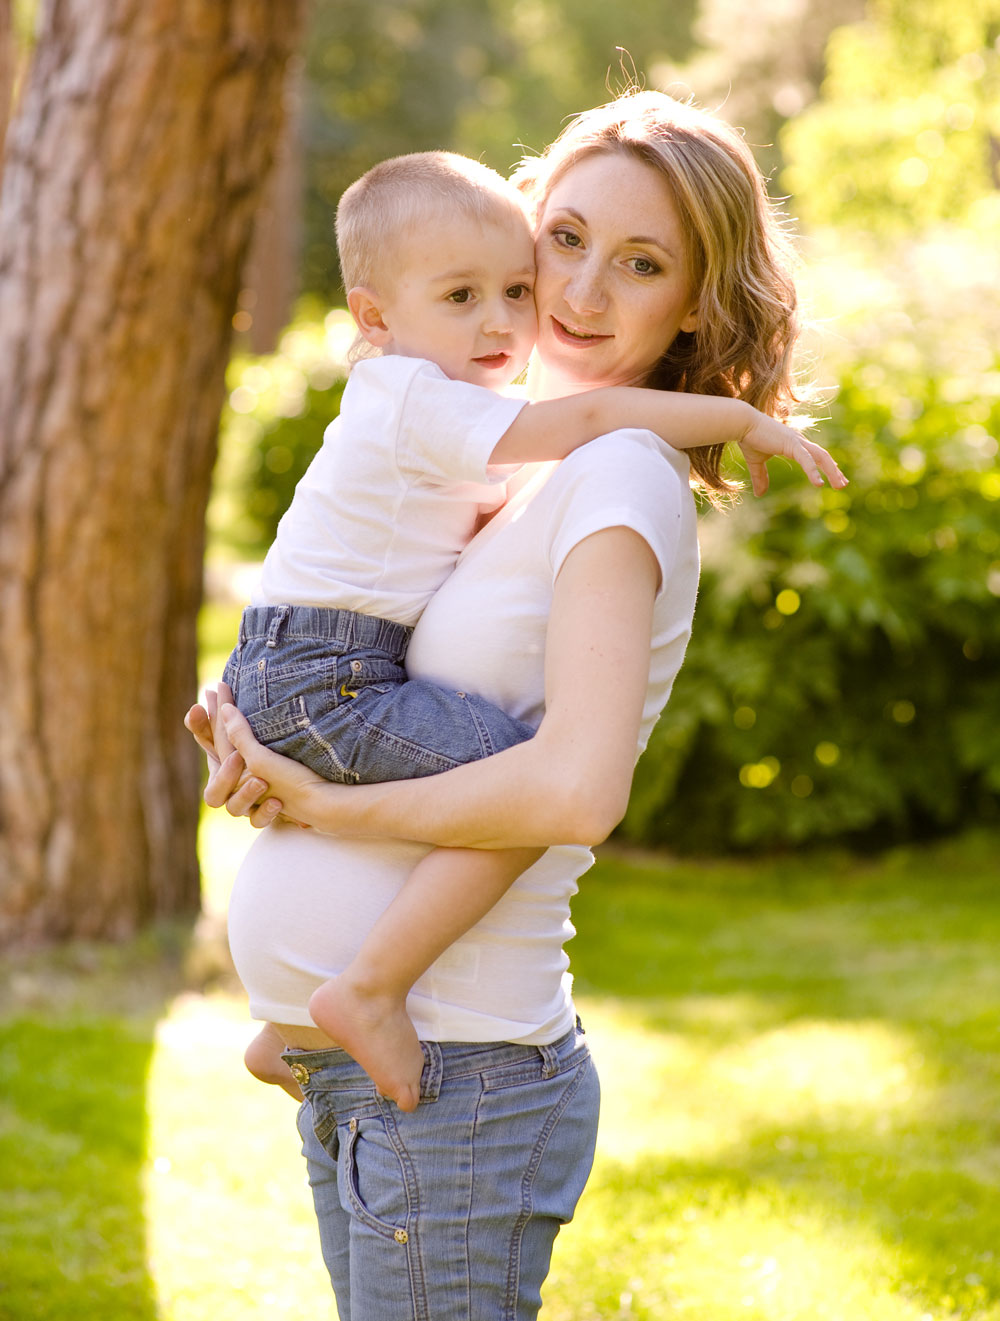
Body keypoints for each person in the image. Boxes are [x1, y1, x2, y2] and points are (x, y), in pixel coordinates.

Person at [188, 89, 844, 1319]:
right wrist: (251, 731)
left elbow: (571, 789)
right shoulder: (494, 463)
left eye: (639, 264)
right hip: (366, 1073)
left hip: (462, 1070)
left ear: (693, 303)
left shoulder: (615, 475)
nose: (583, 293)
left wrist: (324, 805)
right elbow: (356, 616)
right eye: (566, 238)